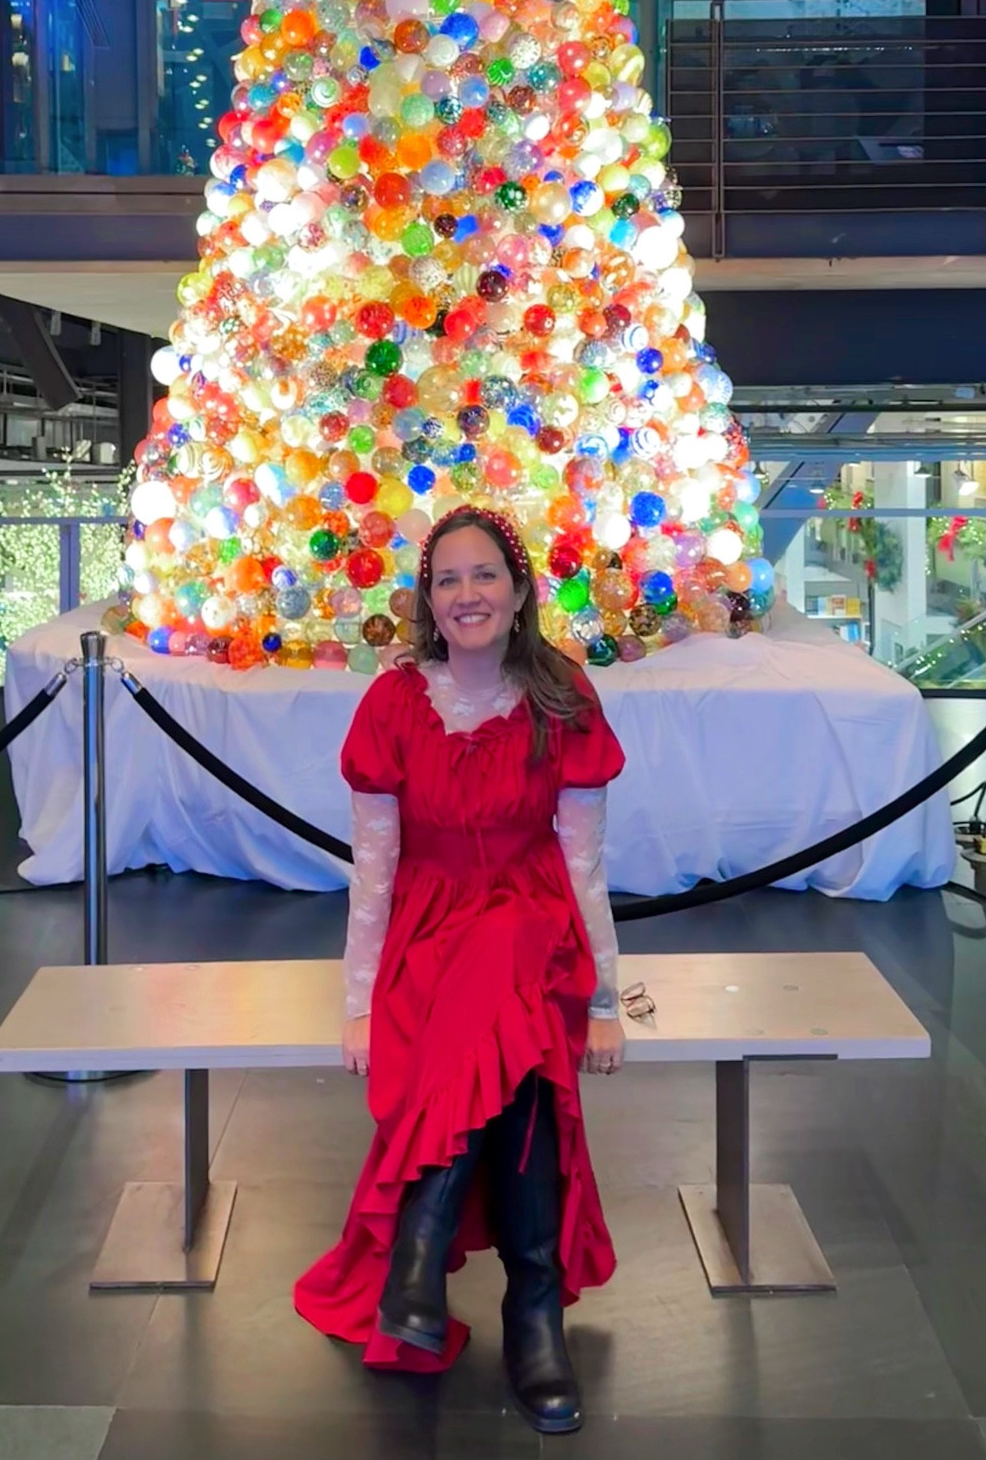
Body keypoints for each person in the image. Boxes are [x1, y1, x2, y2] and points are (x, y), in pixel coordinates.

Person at [294, 504, 625, 1435]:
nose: (467, 593)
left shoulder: (565, 699)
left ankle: (421, 1252)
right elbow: (375, 874)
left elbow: (584, 866)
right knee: (513, 1049)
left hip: (534, 927)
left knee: (511, 950)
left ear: (520, 593)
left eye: (485, 575)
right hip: (428, 935)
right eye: (447, 579)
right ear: (427, 601)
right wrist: (357, 1004)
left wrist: (602, 997)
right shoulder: (392, 704)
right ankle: (535, 1311)